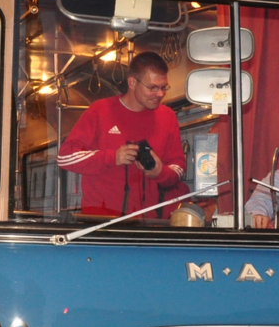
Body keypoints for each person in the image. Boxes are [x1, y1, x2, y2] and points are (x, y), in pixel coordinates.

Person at [58, 51, 187, 216]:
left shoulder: (167, 117)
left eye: (164, 88)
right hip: (101, 223)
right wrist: (113, 157)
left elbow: (179, 166)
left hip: (149, 223)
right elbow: (65, 157)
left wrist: (160, 172)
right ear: (132, 82)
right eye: (152, 87)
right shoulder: (100, 111)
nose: (160, 94)